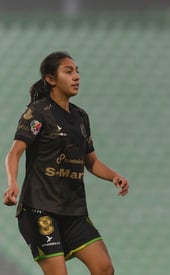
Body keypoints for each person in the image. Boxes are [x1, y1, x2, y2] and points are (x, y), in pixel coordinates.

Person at [3, 51, 129, 275]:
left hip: (73, 210)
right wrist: (12, 183)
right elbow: (14, 153)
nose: (76, 76)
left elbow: (91, 162)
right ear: (50, 79)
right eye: (68, 72)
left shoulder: (81, 117)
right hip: (39, 208)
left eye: (77, 71)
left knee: (105, 268)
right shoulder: (38, 113)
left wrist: (113, 176)